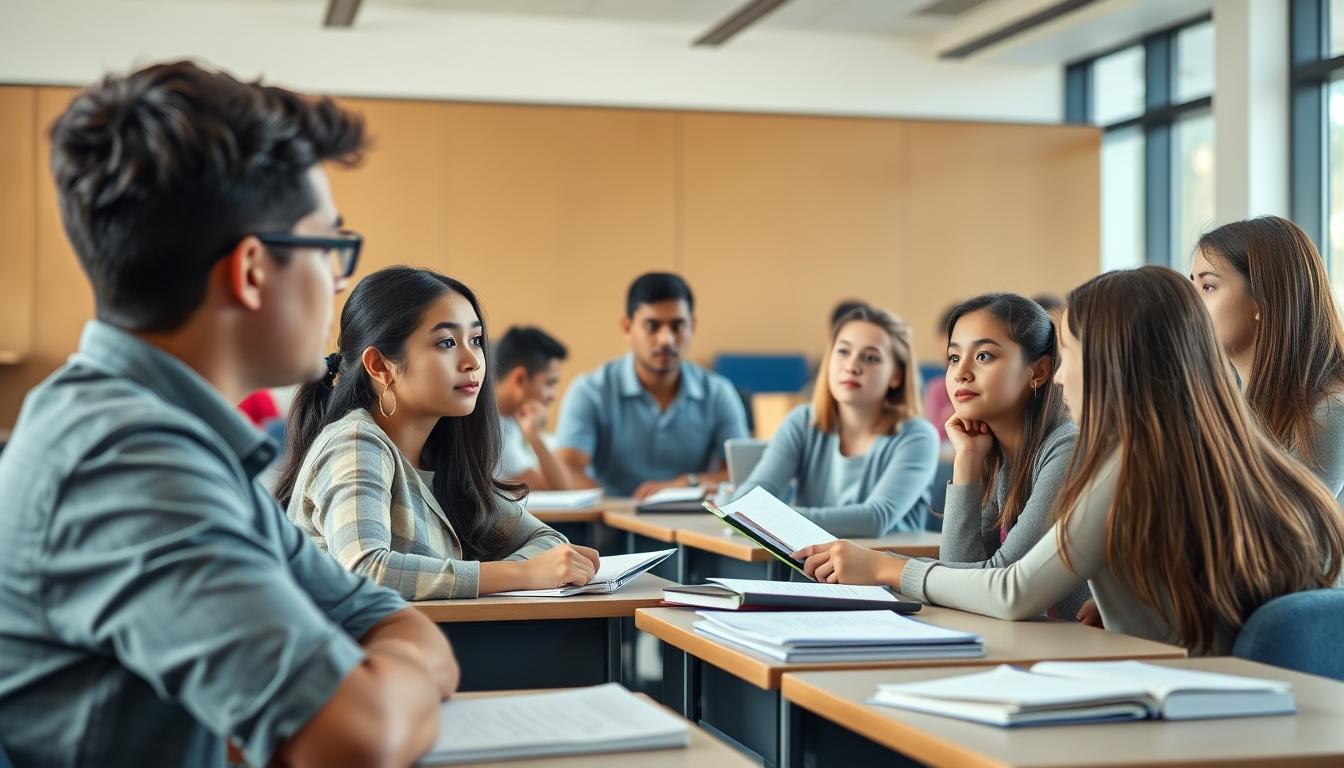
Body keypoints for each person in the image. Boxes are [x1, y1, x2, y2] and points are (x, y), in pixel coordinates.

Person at [0, 61, 459, 766]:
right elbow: (360, 737)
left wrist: (385, 679)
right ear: (251, 271)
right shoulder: (127, 461)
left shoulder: (173, 437)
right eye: (330, 248)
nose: (339, 282)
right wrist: (387, 684)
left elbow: (385, 619)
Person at [796, 267, 1344, 655]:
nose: (1060, 377)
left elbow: (1011, 591)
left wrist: (886, 568)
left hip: (1180, 707)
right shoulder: (1229, 448)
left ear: (1111, 364)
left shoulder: (1128, 461)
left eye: (1070, 355)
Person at [277, 267, 599, 600]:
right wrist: (521, 574)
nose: (473, 361)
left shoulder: (440, 457)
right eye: (446, 342)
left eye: (476, 340)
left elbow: (549, 542)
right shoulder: (355, 443)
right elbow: (363, 571)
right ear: (380, 366)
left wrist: (517, 575)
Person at [916, 293, 1085, 618]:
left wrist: (888, 569)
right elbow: (962, 575)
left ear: (1038, 371)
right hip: (1036, 639)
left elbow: (1002, 582)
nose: (961, 373)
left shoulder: (1068, 448)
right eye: (954, 358)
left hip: (1085, 644)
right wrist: (967, 459)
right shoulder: (998, 455)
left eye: (983, 356)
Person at [733, 304, 937, 536]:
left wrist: (769, 516)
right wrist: (746, 508)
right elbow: (749, 500)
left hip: (883, 559)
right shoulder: (802, 421)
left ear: (896, 376)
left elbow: (875, 518)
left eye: (870, 358)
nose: (851, 366)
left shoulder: (918, 436)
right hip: (809, 559)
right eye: (843, 351)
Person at [554, 272, 749, 498]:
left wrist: (689, 483)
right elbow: (567, 469)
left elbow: (741, 475)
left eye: (677, 326)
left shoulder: (719, 392)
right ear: (627, 328)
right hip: (610, 515)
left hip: (690, 516)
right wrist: (618, 507)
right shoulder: (590, 391)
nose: (666, 339)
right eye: (652, 326)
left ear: (692, 326)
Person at [1191, 216, 1344, 500]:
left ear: (1262, 299)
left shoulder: (1329, 413)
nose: (1191, 303)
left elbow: (1281, 523)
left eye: (1208, 287)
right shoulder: (1237, 405)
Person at [493, 325, 577, 490]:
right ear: (520, 378)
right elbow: (559, 489)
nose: (553, 396)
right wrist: (534, 436)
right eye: (549, 383)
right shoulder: (493, 428)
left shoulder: (507, 420)